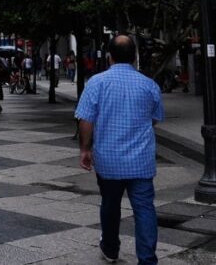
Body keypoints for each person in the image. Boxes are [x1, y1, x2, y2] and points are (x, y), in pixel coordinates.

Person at [75, 35, 164, 265]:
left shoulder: (96, 82)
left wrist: (85, 148)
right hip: (141, 161)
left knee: (110, 204)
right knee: (144, 208)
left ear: (109, 56)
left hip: (109, 159)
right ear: (134, 56)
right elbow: (154, 119)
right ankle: (147, 259)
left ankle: (111, 248)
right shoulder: (149, 84)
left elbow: (85, 119)